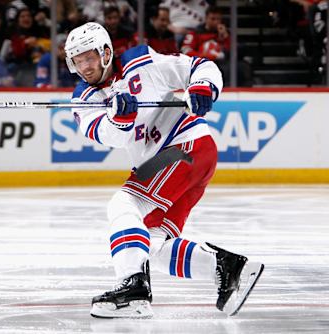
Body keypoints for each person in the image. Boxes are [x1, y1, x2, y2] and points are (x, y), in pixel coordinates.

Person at [64, 22, 264, 318]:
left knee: (124, 203)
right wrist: (121, 118)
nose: (84, 66)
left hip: (184, 146)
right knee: (152, 245)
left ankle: (132, 288)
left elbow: (200, 66)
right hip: (175, 160)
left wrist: (203, 86)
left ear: (106, 52)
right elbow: (112, 135)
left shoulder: (140, 60)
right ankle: (229, 267)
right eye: (77, 61)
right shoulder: (83, 101)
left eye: (89, 57)